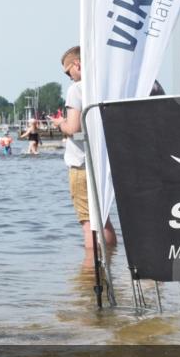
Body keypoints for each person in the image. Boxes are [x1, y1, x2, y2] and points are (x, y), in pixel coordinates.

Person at [53, 46, 117, 252]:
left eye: (67, 71)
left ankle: (90, 271)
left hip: (81, 164)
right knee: (103, 218)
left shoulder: (77, 89)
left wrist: (60, 123)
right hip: (104, 161)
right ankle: (110, 262)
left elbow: (73, 128)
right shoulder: (108, 85)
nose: (69, 77)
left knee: (89, 222)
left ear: (77, 64)